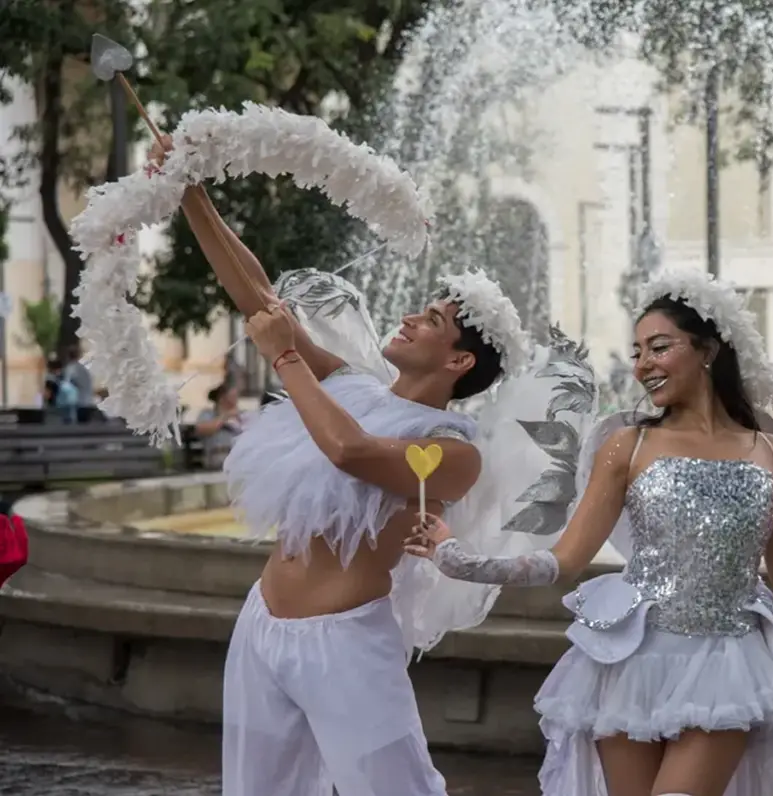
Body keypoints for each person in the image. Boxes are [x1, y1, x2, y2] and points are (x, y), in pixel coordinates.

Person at [406, 268, 773, 796]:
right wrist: (459, 559)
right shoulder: (627, 446)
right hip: (627, 664)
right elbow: (565, 560)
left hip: (726, 667)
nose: (644, 364)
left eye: (660, 346)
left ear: (708, 351)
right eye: (638, 351)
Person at [148, 135, 533, 796]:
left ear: (460, 361)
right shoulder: (352, 386)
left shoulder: (456, 452)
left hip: (347, 642)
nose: (410, 317)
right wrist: (190, 194)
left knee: (395, 788)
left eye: (432, 318)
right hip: (263, 624)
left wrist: (289, 359)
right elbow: (259, 298)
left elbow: (351, 453)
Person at [194, 381, 247, 468]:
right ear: (222, 398)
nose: (235, 400)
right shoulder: (207, 414)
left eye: (236, 396)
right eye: (232, 397)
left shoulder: (242, 415)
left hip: (240, 460)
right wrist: (225, 417)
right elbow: (201, 429)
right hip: (218, 458)